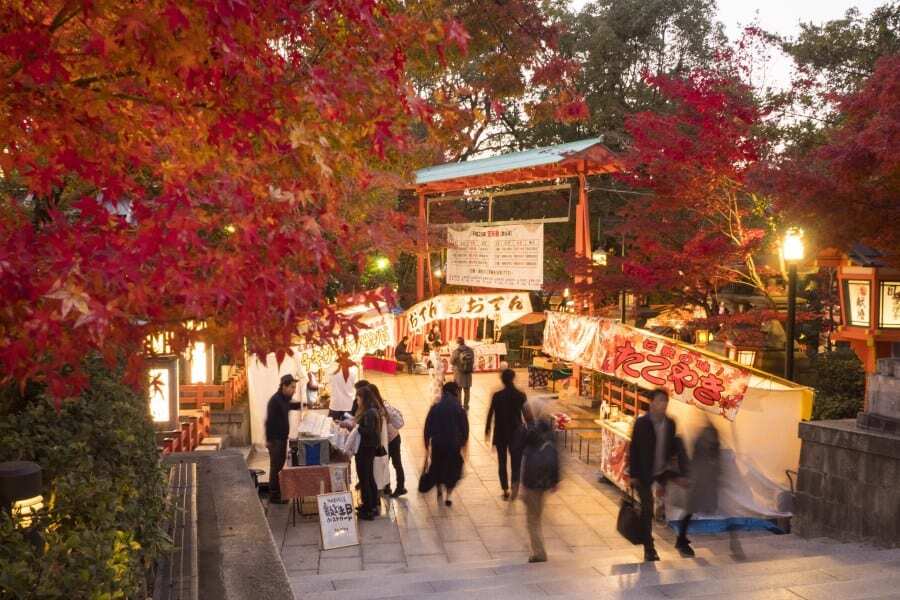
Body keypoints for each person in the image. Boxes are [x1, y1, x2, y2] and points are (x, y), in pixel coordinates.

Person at [629, 388, 687, 561]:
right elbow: (634, 449)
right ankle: (649, 548)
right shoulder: (642, 423)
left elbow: (671, 448)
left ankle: (680, 538)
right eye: (660, 400)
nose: (663, 404)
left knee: (669, 505)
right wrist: (633, 474)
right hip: (643, 473)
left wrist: (678, 473)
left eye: (666, 401)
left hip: (661, 471)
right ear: (651, 402)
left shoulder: (670, 423)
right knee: (647, 509)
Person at [677, 416, 721, 558]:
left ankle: (681, 537)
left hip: (700, 477)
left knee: (690, 510)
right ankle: (681, 539)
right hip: (700, 478)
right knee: (690, 510)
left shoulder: (707, 433)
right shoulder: (709, 434)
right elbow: (709, 455)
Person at [520, 417, 559, 563]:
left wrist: (523, 484)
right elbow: (556, 461)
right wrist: (554, 481)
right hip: (543, 484)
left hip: (532, 485)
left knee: (532, 520)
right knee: (537, 517)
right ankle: (536, 546)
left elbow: (527, 465)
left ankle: (539, 552)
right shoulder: (550, 440)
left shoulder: (531, 440)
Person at [423, 382, 469, 507]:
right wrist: (464, 442)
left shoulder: (436, 407)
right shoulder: (459, 408)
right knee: (453, 470)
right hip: (453, 444)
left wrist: (427, 443)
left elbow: (428, 426)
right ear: (456, 392)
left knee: (438, 466)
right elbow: (464, 428)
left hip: (438, 443)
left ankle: (439, 488)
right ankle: (448, 496)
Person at [485, 369, 528, 500]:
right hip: (516, 432)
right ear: (513, 378)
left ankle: (505, 489)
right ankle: (515, 487)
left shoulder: (497, 396)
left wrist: (487, 430)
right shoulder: (520, 395)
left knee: (502, 462)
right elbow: (526, 415)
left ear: (502, 380)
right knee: (516, 462)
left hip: (501, 432)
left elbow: (490, 414)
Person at [265, 374, 304, 504]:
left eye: (295, 387)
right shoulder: (275, 401)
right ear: (284, 386)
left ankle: (278, 493)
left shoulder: (284, 399)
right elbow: (269, 422)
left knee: (280, 466)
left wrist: (304, 404)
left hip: (281, 438)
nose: (294, 390)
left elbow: (291, 405)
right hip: (276, 440)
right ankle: (274, 496)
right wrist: (269, 440)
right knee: (276, 467)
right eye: (292, 387)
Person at [346, 386, 382, 520]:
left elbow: (369, 432)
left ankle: (368, 508)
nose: (357, 400)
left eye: (358, 398)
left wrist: (356, 427)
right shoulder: (369, 410)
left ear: (364, 398)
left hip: (366, 449)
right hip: (367, 448)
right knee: (368, 477)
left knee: (365, 478)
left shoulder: (369, 413)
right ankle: (370, 504)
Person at [367, 382, 407, 497]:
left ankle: (400, 487)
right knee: (384, 462)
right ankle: (387, 487)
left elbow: (396, 422)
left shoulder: (383, 407)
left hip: (392, 439)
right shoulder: (373, 406)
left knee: (396, 463)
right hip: (384, 440)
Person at [328, 353, 358, 420]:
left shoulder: (353, 374)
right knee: (336, 426)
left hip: (344, 405)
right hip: (339, 405)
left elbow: (356, 387)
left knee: (346, 426)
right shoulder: (334, 375)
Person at [450, 337, 475, 410]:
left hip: (459, 374)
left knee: (458, 390)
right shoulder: (470, 350)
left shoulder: (456, 351)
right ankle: (466, 405)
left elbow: (451, 361)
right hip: (468, 373)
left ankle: (459, 406)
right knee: (467, 391)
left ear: (457, 343)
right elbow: (472, 360)